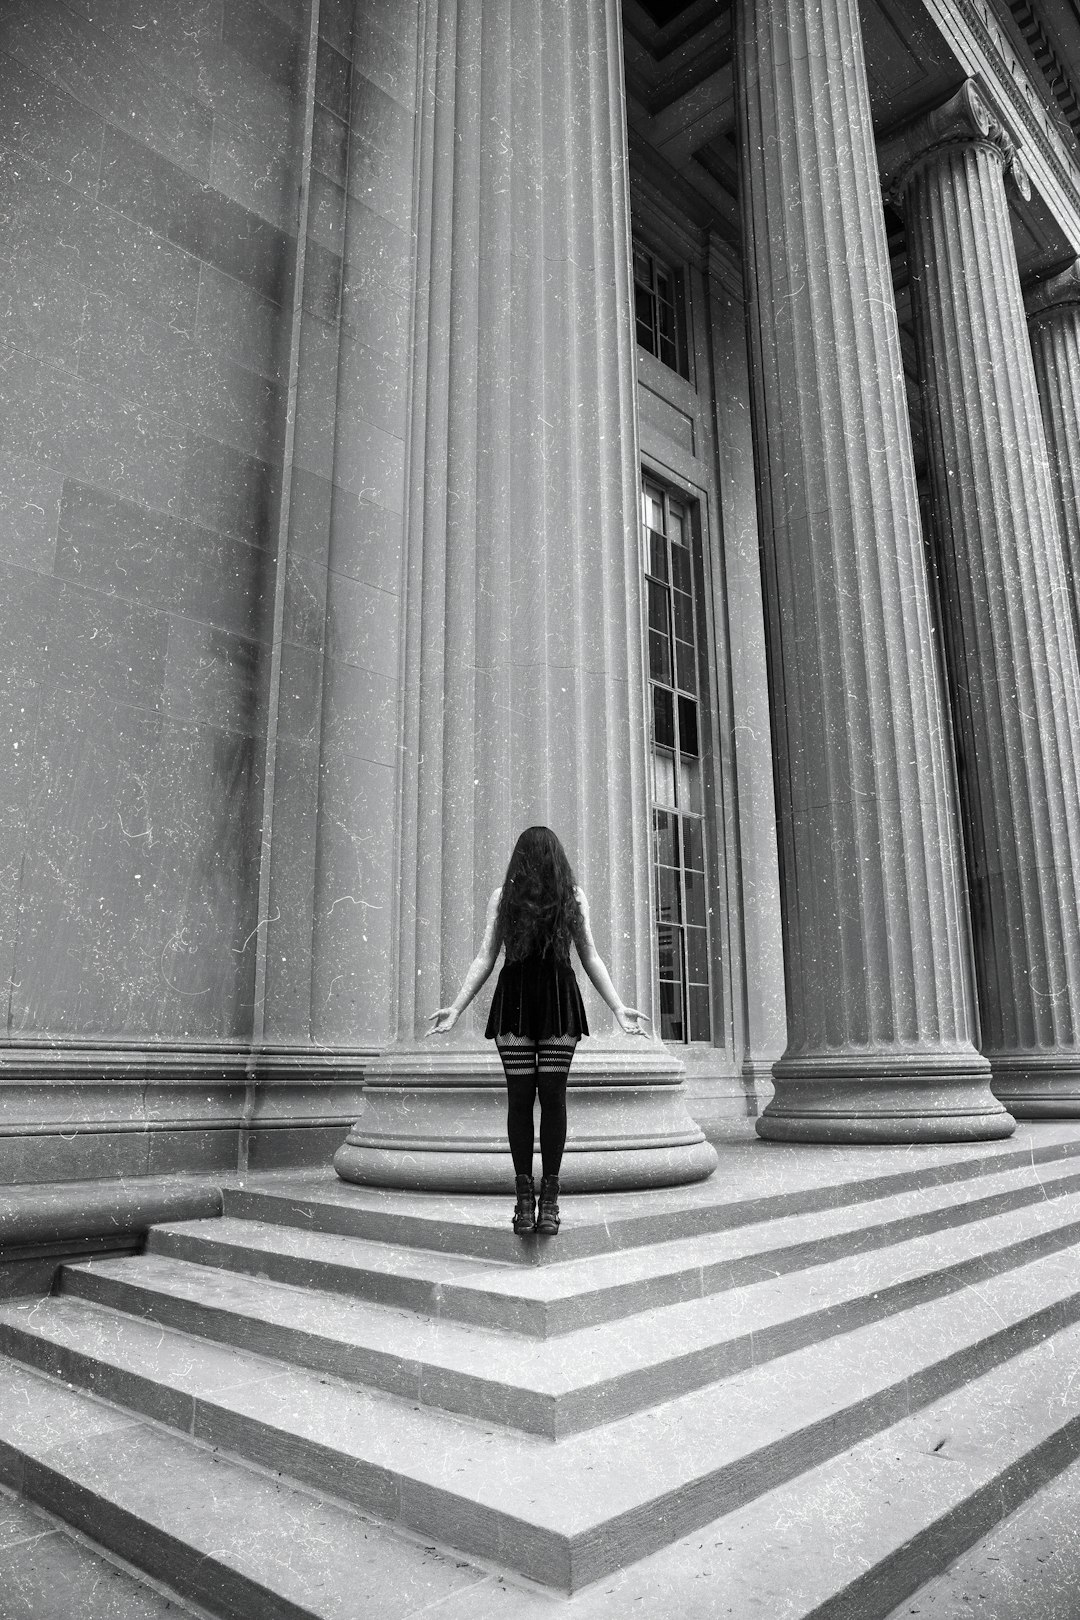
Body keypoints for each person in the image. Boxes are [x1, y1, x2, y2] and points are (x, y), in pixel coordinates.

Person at [426, 826, 650, 1236]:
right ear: (557, 857)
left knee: (527, 1099)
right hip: (541, 999)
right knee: (549, 1098)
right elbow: (493, 955)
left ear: (520, 857)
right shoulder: (518, 897)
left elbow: (582, 955)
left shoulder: (566, 897)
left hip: (537, 1000)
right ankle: (537, 1202)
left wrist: (618, 1007)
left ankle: (537, 1201)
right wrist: (456, 1008)